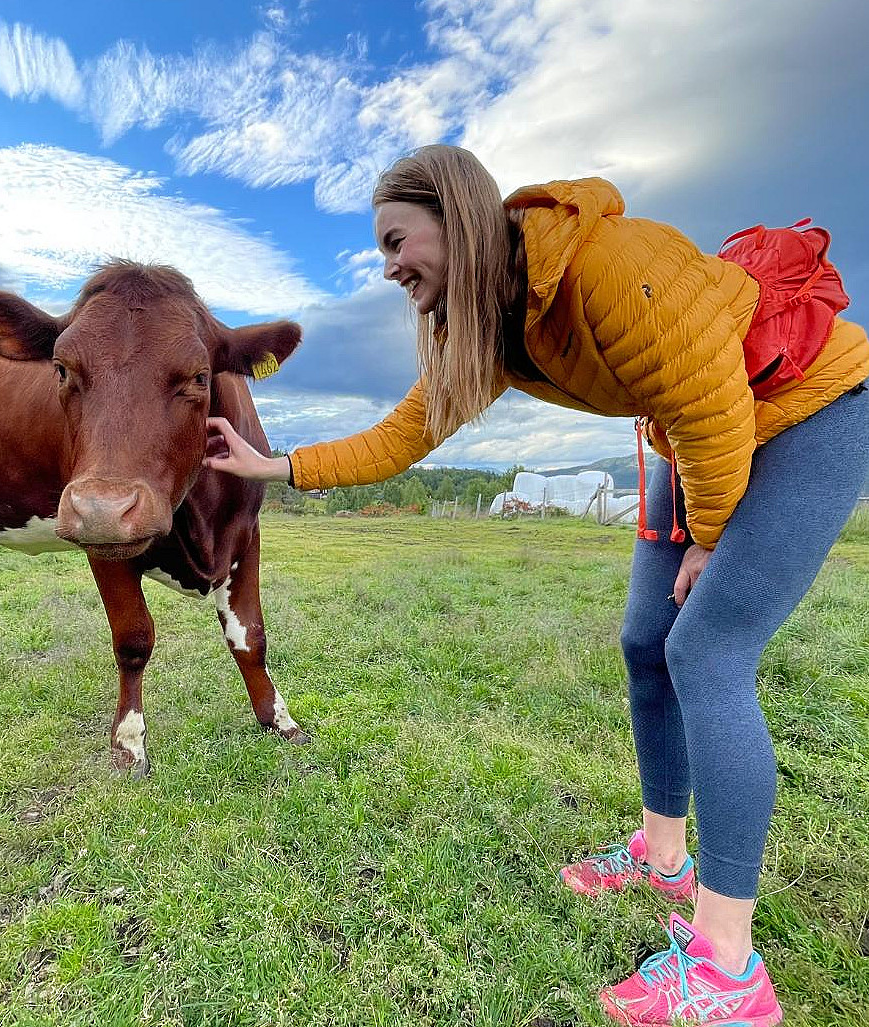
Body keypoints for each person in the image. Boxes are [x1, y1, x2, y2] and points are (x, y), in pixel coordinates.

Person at [203, 144, 869, 1026]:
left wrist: (709, 540)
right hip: (689, 431)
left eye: (398, 240)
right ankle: (662, 853)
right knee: (645, 642)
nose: (390, 265)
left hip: (805, 408)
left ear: (455, 215)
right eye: (381, 251)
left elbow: (711, 399)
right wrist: (275, 465)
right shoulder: (490, 324)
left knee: (705, 648)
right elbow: (402, 436)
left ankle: (727, 969)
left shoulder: (602, 267)